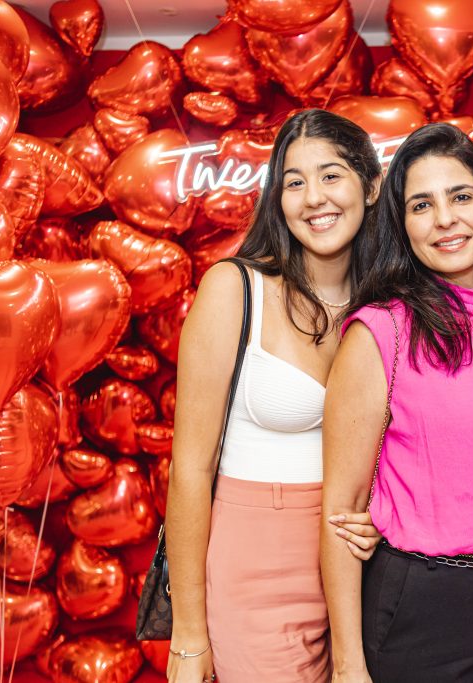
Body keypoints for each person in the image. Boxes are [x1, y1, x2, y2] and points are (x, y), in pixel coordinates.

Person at [321, 123, 473, 683]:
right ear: (403, 227)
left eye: (461, 197)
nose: (446, 219)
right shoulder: (381, 332)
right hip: (423, 613)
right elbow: (340, 512)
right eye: (421, 205)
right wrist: (348, 666)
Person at [165, 109, 385, 683]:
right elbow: (190, 468)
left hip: (368, 572)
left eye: (331, 175)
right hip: (256, 571)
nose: (314, 198)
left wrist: (384, 515)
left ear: (371, 184)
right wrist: (188, 637)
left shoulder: (392, 305)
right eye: (293, 182)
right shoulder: (235, 289)